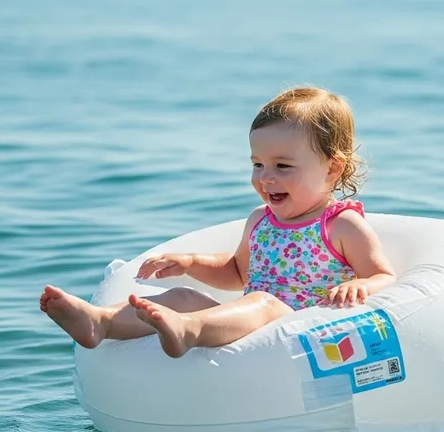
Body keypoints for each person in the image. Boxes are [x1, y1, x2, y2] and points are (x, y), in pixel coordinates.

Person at [40, 87, 396, 358]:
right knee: (182, 295)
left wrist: (362, 286)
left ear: (332, 169)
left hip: (301, 334)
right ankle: (100, 322)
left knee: (264, 302)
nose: (265, 177)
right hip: (251, 322)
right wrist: (192, 263)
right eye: (257, 164)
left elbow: (385, 276)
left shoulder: (341, 225)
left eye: (282, 166)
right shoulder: (261, 221)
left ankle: (189, 330)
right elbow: (237, 273)